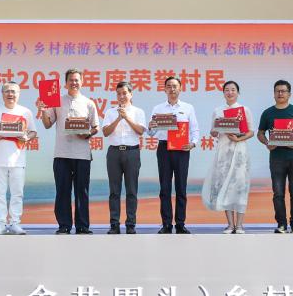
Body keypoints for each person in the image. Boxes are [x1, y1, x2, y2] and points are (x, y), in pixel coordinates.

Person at [37, 68, 99, 234]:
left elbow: (96, 127)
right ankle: (64, 225)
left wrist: (87, 133)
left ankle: (82, 226)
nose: (74, 82)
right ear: (65, 83)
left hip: (82, 154)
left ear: (82, 82)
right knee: (62, 191)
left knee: (82, 191)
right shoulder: (56, 100)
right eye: (71, 80)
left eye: (77, 80)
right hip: (62, 153)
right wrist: (43, 111)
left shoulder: (89, 103)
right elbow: (47, 124)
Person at [0, 82, 38, 235]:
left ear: (18, 94)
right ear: (2, 93)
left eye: (13, 91)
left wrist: (26, 137)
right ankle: (1, 223)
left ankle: (15, 223)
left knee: (17, 193)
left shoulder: (25, 112)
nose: (10, 94)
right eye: (7, 91)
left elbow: (33, 132)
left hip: (18, 160)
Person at [256, 79, 293, 234]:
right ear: (274, 94)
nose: (280, 93)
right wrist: (267, 142)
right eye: (277, 91)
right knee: (278, 193)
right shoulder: (268, 113)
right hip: (276, 157)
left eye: (283, 91)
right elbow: (260, 133)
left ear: (289, 94)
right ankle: (281, 224)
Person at [201, 80, 255, 233]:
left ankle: (239, 225)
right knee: (225, 186)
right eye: (227, 90)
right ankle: (230, 225)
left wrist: (239, 139)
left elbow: (251, 132)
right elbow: (213, 132)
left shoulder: (244, 110)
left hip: (240, 152)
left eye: (233, 90)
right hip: (223, 152)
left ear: (238, 92)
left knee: (240, 187)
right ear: (223, 93)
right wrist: (214, 131)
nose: (230, 92)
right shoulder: (218, 111)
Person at [148, 76, 199, 234]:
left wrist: (193, 143)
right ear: (164, 89)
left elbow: (194, 129)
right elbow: (151, 133)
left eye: (175, 86)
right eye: (169, 86)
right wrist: (151, 127)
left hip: (182, 149)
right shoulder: (158, 108)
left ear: (180, 88)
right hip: (164, 149)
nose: (172, 89)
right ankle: (166, 224)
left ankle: (180, 224)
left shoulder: (188, 107)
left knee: (181, 188)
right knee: (165, 188)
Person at [101, 81, 146, 234]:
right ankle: (114, 224)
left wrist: (126, 117)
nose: (121, 96)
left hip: (132, 152)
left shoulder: (138, 111)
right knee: (114, 191)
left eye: (124, 93)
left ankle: (130, 224)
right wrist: (118, 118)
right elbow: (106, 132)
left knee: (131, 190)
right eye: (119, 94)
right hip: (114, 153)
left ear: (130, 94)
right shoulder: (110, 112)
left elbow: (140, 131)